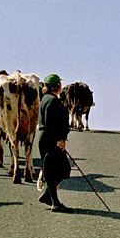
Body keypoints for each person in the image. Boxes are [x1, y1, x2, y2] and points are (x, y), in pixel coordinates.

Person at [37, 74, 72, 213]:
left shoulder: (46, 99)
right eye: (58, 84)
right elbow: (50, 124)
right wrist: (60, 140)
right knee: (56, 171)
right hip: (51, 140)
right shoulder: (51, 101)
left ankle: (48, 195)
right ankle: (55, 203)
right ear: (54, 86)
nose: (60, 86)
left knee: (62, 169)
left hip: (48, 139)